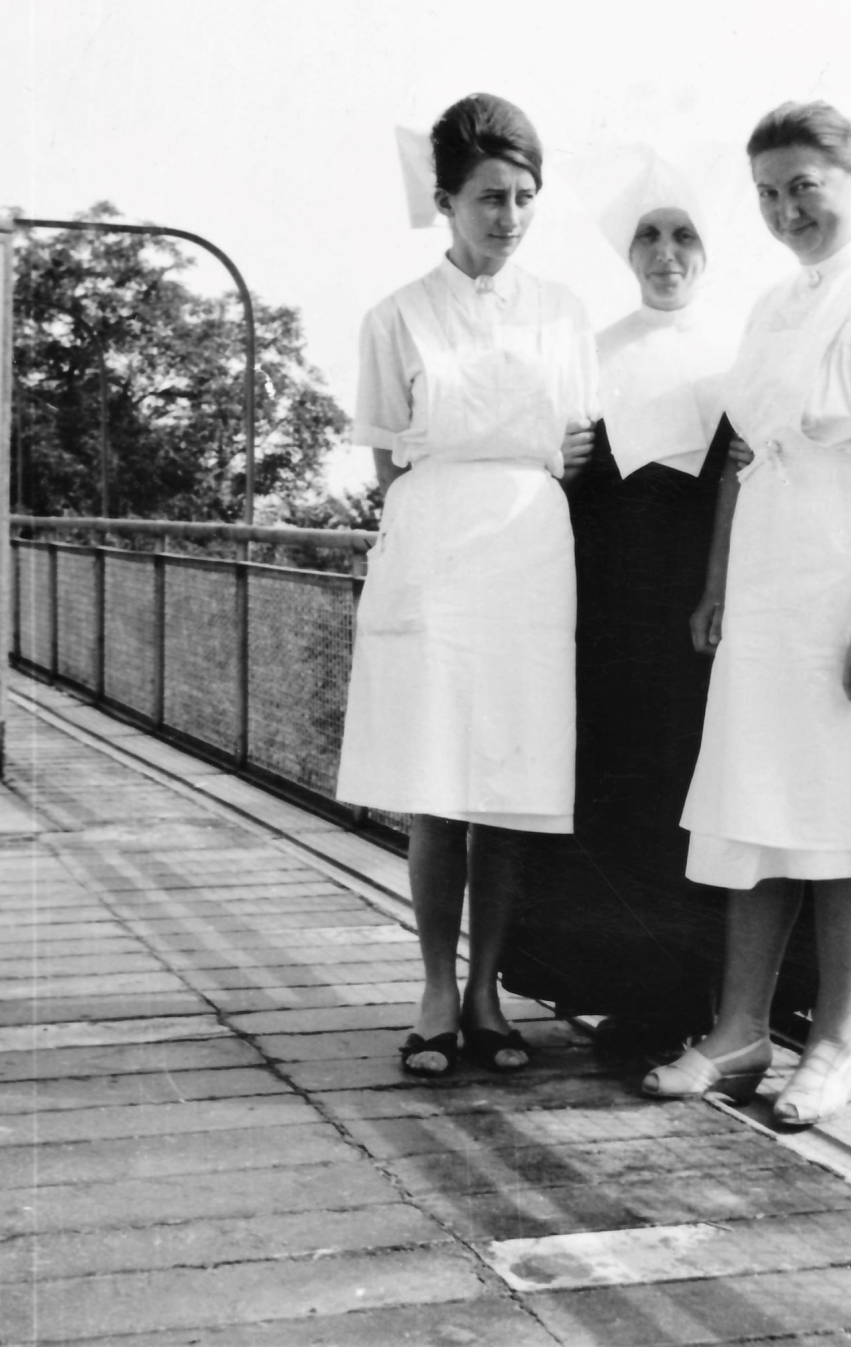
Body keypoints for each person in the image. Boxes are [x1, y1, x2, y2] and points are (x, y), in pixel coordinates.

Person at [645, 101, 851, 1125]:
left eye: (802, 188)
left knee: (850, 818)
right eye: (768, 195)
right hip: (770, 594)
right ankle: (738, 1032)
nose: (784, 210)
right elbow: (741, 457)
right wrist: (718, 585)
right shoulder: (772, 307)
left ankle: (832, 1042)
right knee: (759, 809)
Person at [336, 93, 598, 1076]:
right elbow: (387, 470)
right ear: (444, 200)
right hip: (436, 552)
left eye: (525, 197)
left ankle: (489, 991)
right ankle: (435, 991)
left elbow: (572, 449)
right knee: (437, 790)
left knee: (507, 784)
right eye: (489, 197)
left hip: (529, 555)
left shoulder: (563, 314)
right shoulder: (394, 317)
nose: (509, 217)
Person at [500, 149, 741, 1055]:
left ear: (708, 252)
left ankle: (704, 1001)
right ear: (626, 249)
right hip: (602, 617)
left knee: (691, 795)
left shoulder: (738, 358)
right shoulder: (586, 353)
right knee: (612, 793)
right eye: (649, 233)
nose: (666, 251)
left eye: (684, 235)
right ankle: (619, 990)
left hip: (699, 623)